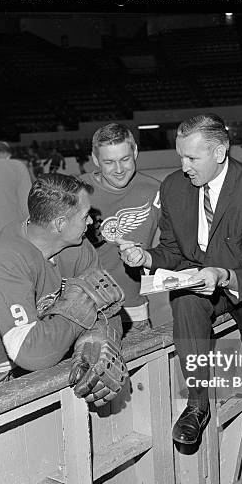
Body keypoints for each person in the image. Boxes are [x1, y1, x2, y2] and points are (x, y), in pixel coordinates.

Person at [119, 113, 242, 484]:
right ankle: (198, 401)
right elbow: (172, 249)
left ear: (219, 152)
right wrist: (147, 257)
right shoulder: (173, 187)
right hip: (203, 279)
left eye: (192, 158)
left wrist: (223, 276)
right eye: (180, 157)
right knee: (184, 302)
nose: (183, 167)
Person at [0, 174, 126, 404]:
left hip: (33, 341)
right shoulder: (7, 260)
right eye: (85, 216)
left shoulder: (78, 246)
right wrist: (76, 319)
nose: (90, 223)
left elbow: (107, 304)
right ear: (60, 224)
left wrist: (96, 338)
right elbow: (30, 352)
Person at [81, 122, 160, 335]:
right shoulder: (77, 193)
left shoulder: (155, 191)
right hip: (83, 312)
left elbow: (174, 246)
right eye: (109, 162)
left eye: (125, 159)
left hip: (133, 312)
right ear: (95, 159)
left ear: (135, 151)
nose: (118, 170)